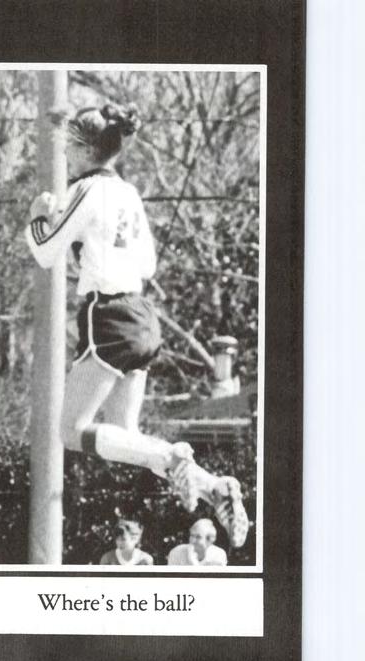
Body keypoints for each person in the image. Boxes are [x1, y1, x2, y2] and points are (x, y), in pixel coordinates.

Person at [24, 103, 249, 549]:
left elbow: (46, 252)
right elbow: (147, 264)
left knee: (71, 432)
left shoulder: (86, 188)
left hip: (107, 316)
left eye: (68, 146)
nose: (64, 154)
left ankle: (175, 456)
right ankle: (214, 487)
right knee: (126, 437)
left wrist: (38, 215)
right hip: (143, 317)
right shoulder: (128, 192)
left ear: (84, 148)